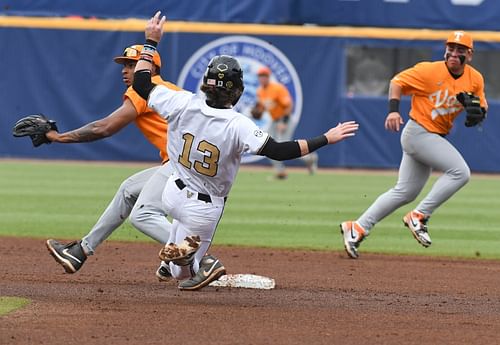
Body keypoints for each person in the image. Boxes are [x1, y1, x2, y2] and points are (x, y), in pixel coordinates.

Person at [132, 11, 359, 290]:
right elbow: (279, 151)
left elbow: (141, 83)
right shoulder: (238, 125)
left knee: (173, 251)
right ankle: (190, 262)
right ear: (237, 91)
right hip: (203, 207)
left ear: (206, 84)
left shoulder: (181, 102)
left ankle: (174, 256)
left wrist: (151, 42)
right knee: (186, 278)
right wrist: (326, 137)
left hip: (172, 193)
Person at [340, 31, 487, 259]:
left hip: (432, 136)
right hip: (418, 132)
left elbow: (481, 108)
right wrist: (392, 112)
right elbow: (396, 82)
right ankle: (420, 215)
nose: (454, 53)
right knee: (460, 172)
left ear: (470, 54)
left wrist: (478, 113)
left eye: (460, 49)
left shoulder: (475, 78)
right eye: (451, 47)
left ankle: (357, 227)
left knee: (405, 192)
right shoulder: (429, 70)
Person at [45, 44, 182, 279]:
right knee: (129, 189)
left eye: (131, 64)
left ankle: (200, 256)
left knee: (143, 215)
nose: (124, 70)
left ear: (149, 67)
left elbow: (104, 128)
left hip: (182, 165)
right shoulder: (169, 90)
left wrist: (58, 137)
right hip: (192, 164)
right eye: (124, 65)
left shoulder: (144, 90)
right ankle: (80, 251)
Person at [253, 66, 318, 179]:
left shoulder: (277, 88)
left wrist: (283, 121)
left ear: (268, 77)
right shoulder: (260, 91)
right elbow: (262, 108)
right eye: (260, 76)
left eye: (264, 76)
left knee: (284, 145)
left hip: (285, 119)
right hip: (274, 121)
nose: (262, 78)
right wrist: (257, 111)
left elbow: (289, 105)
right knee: (266, 144)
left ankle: (309, 158)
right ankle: (280, 172)